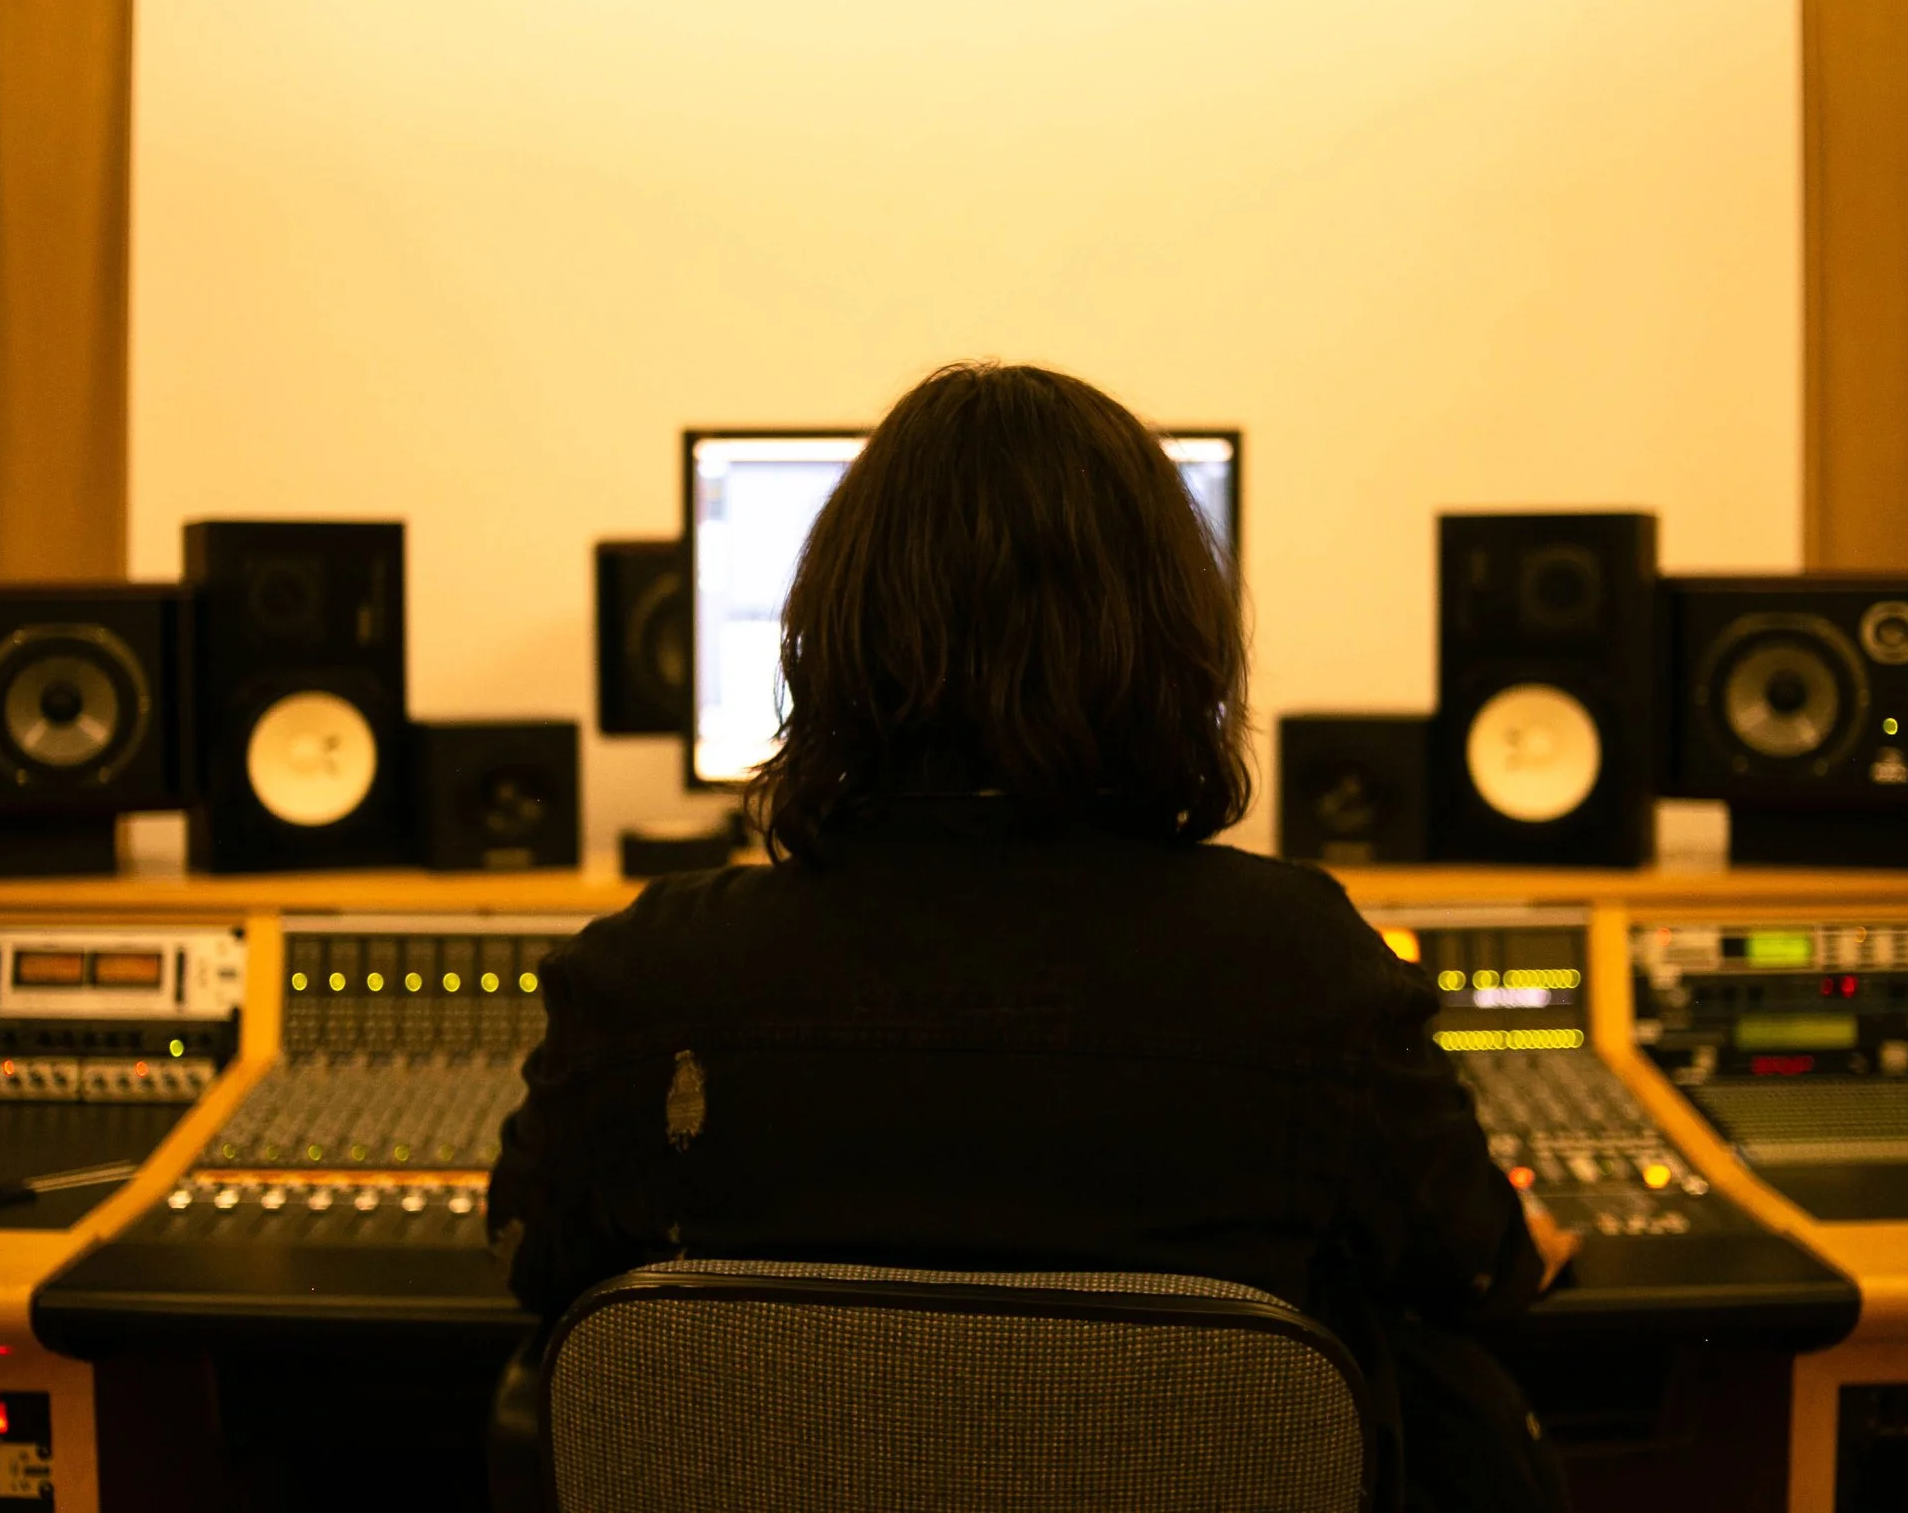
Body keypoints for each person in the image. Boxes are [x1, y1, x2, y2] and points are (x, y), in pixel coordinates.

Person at [486, 361, 1580, 1511]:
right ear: (1176, 642)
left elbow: (527, 1257)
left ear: (828, 635)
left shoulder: (651, 975)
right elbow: (1475, 1268)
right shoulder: (1306, 968)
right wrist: (1525, 1235)